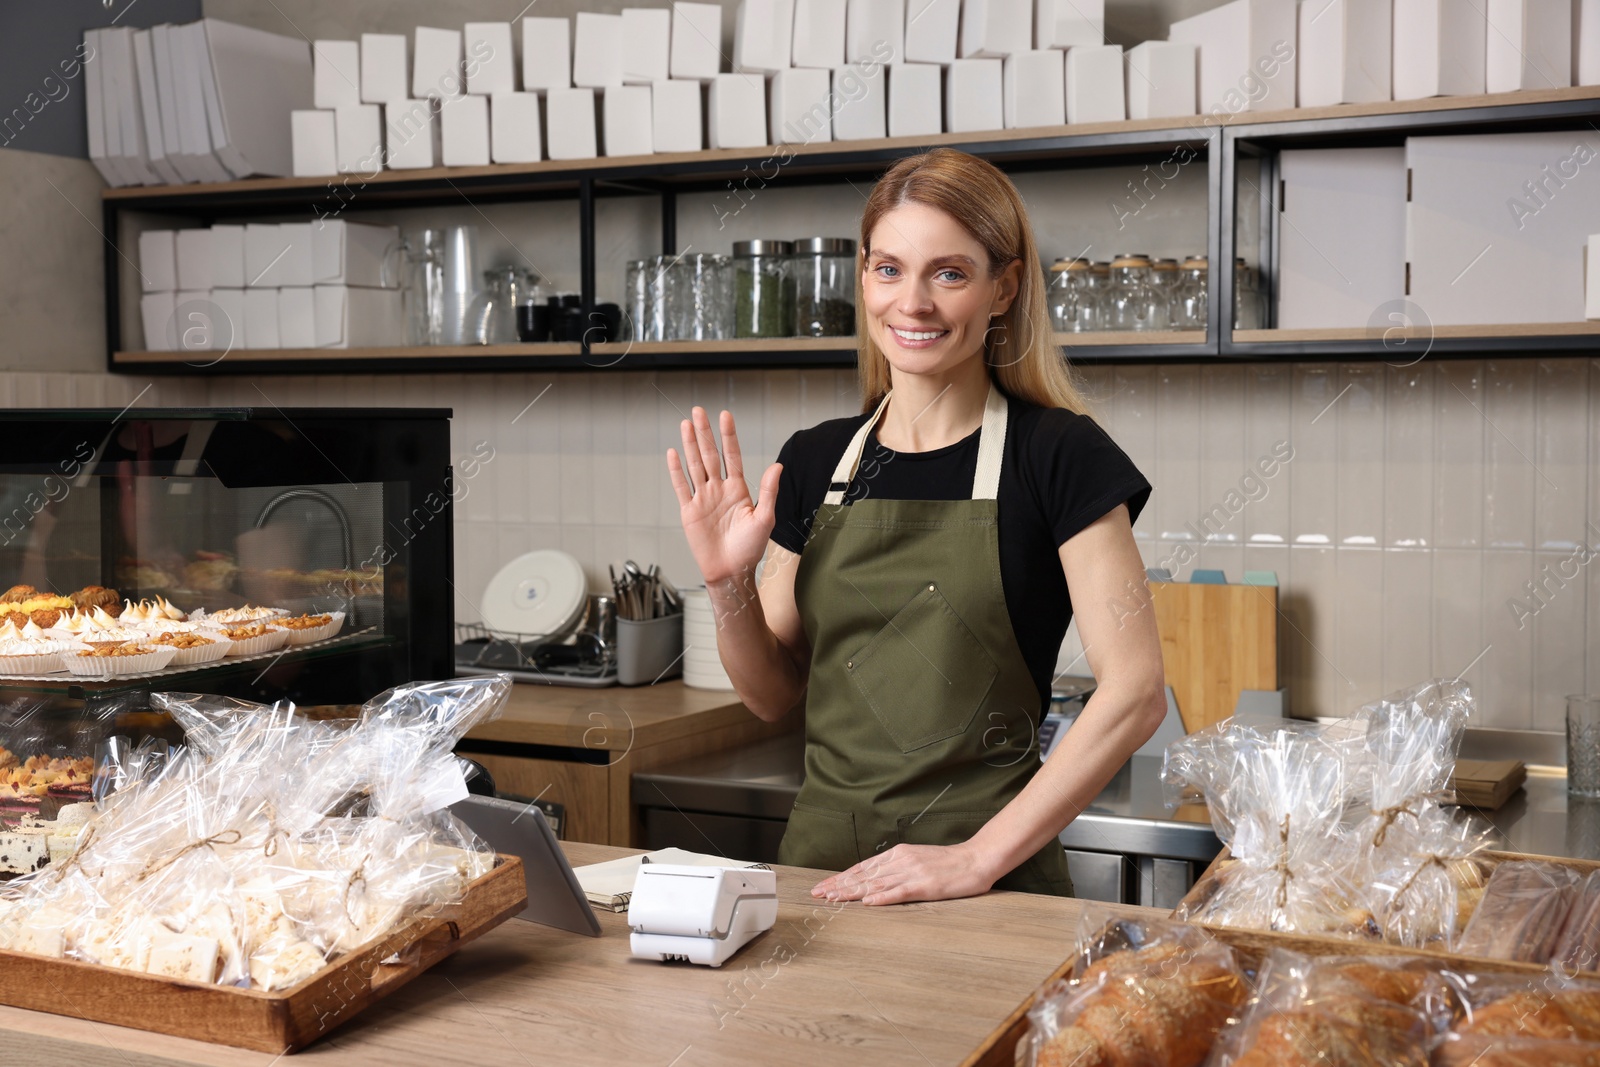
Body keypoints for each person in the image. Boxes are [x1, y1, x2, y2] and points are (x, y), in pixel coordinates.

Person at [667, 148, 1166, 905]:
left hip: (989, 889)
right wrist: (724, 581)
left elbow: (1135, 693)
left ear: (1004, 288)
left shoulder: (1059, 456)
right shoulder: (816, 459)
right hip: (821, 878)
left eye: (950, 273)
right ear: (864, 278)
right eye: (889, 269)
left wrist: (973, 859)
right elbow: (771, 693)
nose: (914, 303)